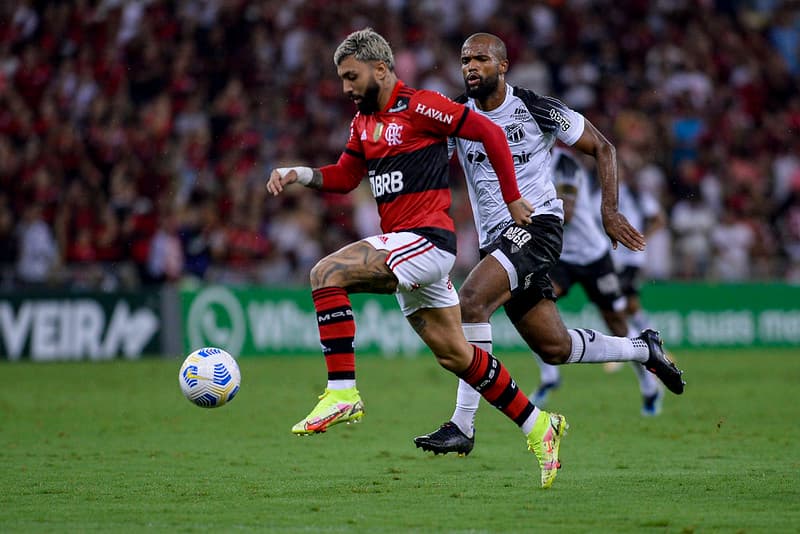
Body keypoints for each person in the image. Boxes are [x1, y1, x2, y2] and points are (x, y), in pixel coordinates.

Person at [266, 28, 567, 489]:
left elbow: (488, 130)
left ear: (380, 69)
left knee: (326, 273)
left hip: (427, 240)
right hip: (405, 246)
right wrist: (299, 173)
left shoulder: (422, 106)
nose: (345, 88)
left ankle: (342, 392)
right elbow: (345, 176)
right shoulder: (363, 123)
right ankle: (539, 425)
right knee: (457, 356)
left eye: (351, 77)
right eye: (342, 78)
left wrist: (511, 198)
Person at [413, 33, 684, 457]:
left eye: (481, 59)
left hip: (537, 227)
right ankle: (642, 348)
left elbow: (603, 147)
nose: (471, 67)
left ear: (503, 66)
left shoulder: (537, 108)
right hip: (496, 241)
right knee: (554, 347)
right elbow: (425, 162)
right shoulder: (457, 116)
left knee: (471, 302)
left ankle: (463, 424)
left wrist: (609, 211)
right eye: (465, 60)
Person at [529, 148, 664, 417]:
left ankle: (649, 385)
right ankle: (549, 377)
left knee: (617, 323)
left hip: (594, 256)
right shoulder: (528, 160)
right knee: (531, 305)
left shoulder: (565, 165)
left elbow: (566, 214)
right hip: (562, 259)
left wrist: (521, 211)